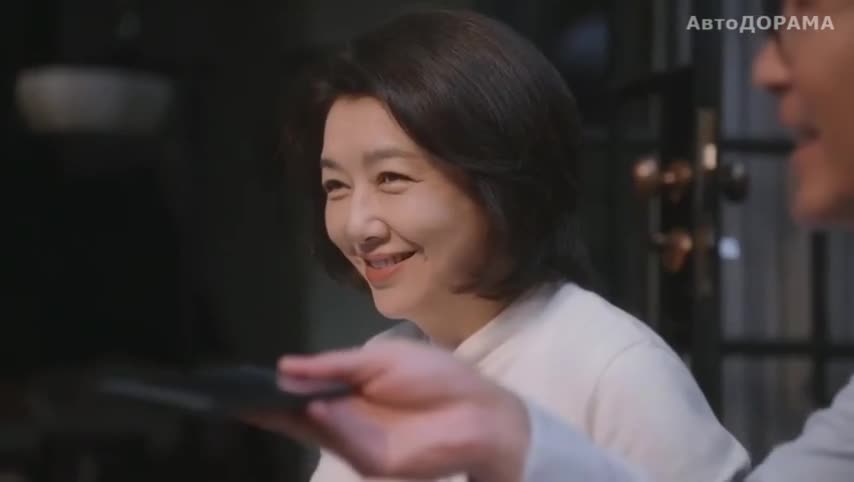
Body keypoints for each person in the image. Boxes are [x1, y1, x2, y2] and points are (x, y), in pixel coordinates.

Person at [250, 8, 753, 482]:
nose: (358, 225)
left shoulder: (615, 369)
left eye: (391, 178)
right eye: (336, 186)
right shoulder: (386, 360)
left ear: (500, 180)